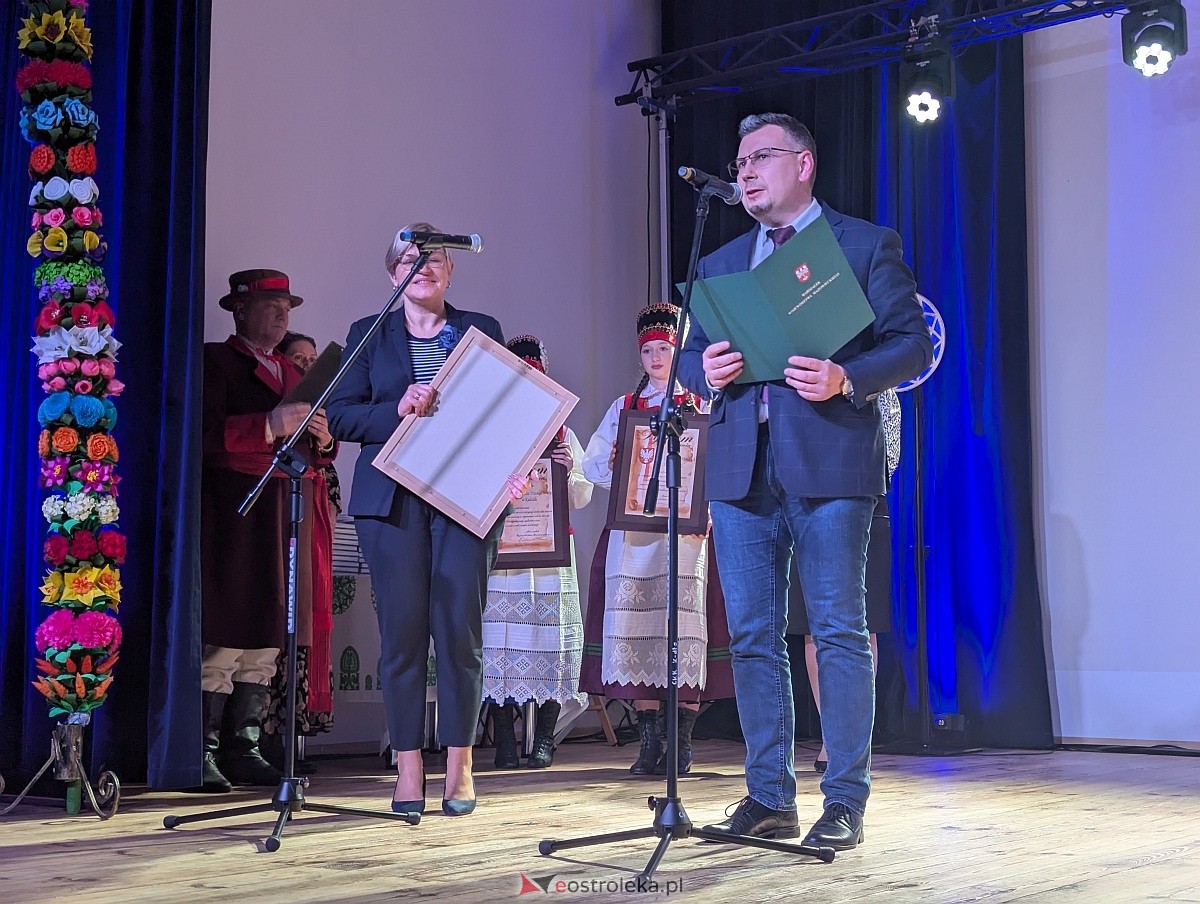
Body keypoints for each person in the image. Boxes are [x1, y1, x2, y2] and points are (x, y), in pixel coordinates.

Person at [677, 113, 932, 849]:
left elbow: (912, 344)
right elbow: (690, 357)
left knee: (837, 629)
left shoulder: (863, 244)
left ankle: (845, 799)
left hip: (830, 459)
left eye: (761, 157)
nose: (746, 172)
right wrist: (704, 368)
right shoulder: (721, 261)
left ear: (804, 164)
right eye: (740, 162)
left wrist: (847, 376)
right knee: (752, 636)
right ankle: (768, 796)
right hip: (739, 464)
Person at [326, 223, 507, 817]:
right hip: (392, 504)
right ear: (392, 275)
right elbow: (341, 417)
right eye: (410, 259)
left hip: (465, 500)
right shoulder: (367, 333)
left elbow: (506, 411)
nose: (423, 267)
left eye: (434, 260)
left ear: (451, 272)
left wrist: (516, 466)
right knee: (401, 637)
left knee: (459, 635)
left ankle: (460, 767)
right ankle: (408, 768)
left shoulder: (481, 330)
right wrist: (395, 410)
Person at [579, 302, 735, 777]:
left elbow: (721, 459)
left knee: (683, 631)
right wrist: (619, 463)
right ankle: (649, 742)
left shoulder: (702, 403)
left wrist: (706, 506)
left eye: (664, 348)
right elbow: (592, 464)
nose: (655, 358)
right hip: (635, 534)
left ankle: (681, 742)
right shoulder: (624, 407)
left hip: (687, 537)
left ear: (679, 351)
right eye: (648, 350)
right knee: (637, 631)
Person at [199, 269, 336, 793]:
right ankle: (203, 747)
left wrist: (322, 438)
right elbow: (201, 435)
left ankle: (245, 744)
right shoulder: (215, 362)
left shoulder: (291, 370)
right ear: (240, 310)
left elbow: (313, 453)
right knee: (228, 623)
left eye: (287, 308)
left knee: (269, 629)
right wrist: (267, 426)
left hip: (284, 505)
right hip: (233, 506)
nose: (282, 317)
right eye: (271, 307)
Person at [484, 335, 593, 770]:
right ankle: (505, 742)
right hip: (505, 551)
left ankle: (544, 739)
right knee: (500, 641)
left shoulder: (563, 432)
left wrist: (567, 471)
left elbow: (582, 496)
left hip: (550, 552)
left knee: (552, 642)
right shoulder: (491, 431)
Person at [792, 387, 901, 772]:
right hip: (803, 499)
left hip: (861, 497)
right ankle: (831, 736)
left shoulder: (872, 378)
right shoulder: (793, 383)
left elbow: (889, 451)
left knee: (861, 625)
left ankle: (855, 738)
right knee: (811, 629)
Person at [258, 331, 340, 771]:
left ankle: (293, 741)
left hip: (314, 540)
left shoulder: (318, 410)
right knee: (278, 630)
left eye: (313, 359)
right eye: (299, 359)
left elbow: (330, 477)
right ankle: (261, 743)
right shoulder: (279, 404)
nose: (308, 365)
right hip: (280, 529)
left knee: (307, 633)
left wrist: (324, 440)